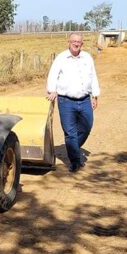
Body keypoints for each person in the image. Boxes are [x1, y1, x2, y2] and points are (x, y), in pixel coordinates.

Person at [46, 33, 100, 172]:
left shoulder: (87, 58)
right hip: (66, 101)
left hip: (84, 100)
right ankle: (75, 161)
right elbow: (53, 74)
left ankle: (72, 146)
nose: (76, 44)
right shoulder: (61, 58)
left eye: (79, 42)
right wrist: (52, 90)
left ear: (82, 44)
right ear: (68, 42)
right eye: (73, 41)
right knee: (70, 133)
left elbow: (93, 76)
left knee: (87, 126)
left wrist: (95, 95)